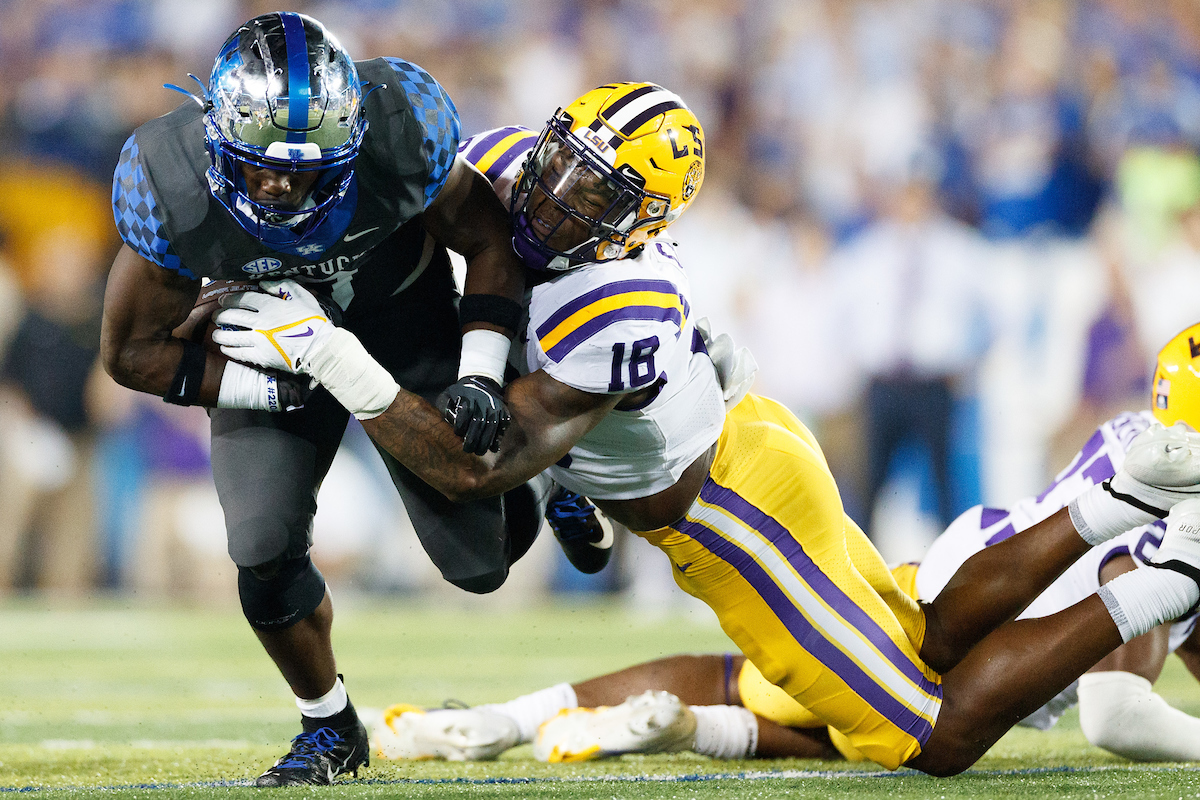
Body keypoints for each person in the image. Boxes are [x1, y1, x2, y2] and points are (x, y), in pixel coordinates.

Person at [211, 81, 1200, 776]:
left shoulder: (611, 302)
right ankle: (1108, 493)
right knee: (918, 637)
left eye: (597, 196)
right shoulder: (511, 162)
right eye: (565, 164)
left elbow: (478, 465)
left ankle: (1160, 574)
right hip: (750, 440)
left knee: (925, 735)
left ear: (639, 225)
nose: (557, 198)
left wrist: (331, 354)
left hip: (728, 511)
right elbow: (462, 237)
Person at [364, 323, 1200, 764]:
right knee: (929, 737)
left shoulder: (1149, 433)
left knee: (794, 699)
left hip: (957, 564)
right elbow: (1116, 709)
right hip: (975, 609)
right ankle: (576, 721)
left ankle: (524, 721)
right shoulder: (1178, 493)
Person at [100, 12, 538, 787]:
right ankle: (329, 727)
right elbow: (131, 353)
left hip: (404, 322)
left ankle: (546, 480)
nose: (276, 184)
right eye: (257, 164)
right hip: (279, 358)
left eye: (302, 168)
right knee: (262, 545)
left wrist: (479, 371)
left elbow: (489, 240)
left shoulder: (402, 129)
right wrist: (262, 386)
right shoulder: (169, 182)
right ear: (215, 138)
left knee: (484, 563)